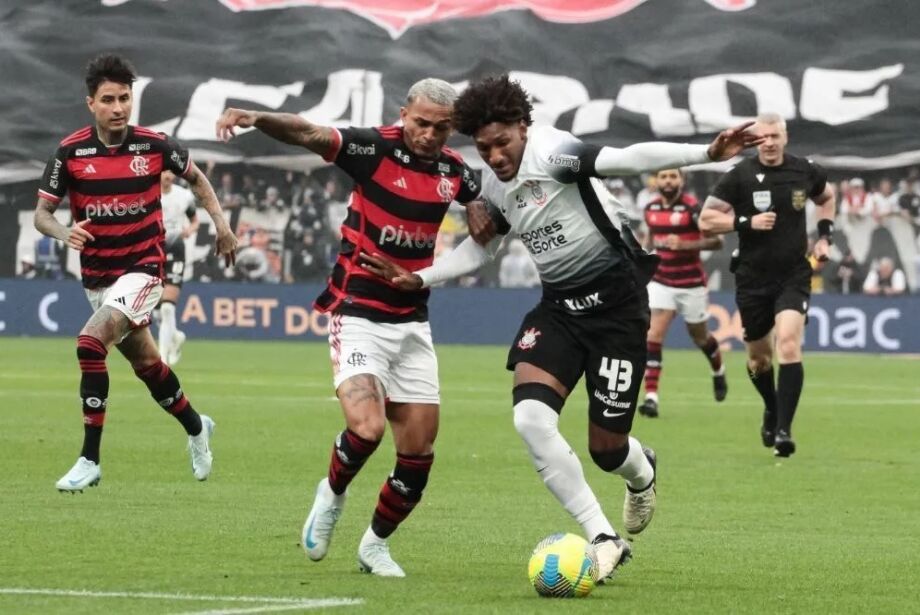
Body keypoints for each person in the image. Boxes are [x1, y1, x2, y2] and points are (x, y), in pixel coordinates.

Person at [360, 75, 762, 581]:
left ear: (523, 128)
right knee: (530, 419)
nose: (495, 156)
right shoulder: (492, 184)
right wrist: (419, 276)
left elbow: (626, 157)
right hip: (559, 312)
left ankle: (643, 473)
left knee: (607, 450)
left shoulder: (554, 154)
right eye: (484, 148)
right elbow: (481, 249)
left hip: (617, 311)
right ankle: (602, 535)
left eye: (502, 143)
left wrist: (707, 152)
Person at [216, 78, 481, 578]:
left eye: (441, 128)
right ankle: (332, 494)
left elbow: (479, 200)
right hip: (357, 311)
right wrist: (257, 117)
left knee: (418, 455)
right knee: (368, 428)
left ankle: (375, 546)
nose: (428, 134)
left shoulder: (455, 170)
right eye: (420, 122)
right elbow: (309, 133)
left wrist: (481, 209)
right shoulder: (373, 148)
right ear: (404, 113)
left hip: (412, 324)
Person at [33, 54, 237, 492]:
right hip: (98, 278)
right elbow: (41, 215)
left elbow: (198, 179)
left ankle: (90, 458)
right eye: (109, 99)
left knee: (90, 344)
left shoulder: (154, 144)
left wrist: (222, 226)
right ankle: (198, 426)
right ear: (91, 103)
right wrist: (64, 231)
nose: (119, 107)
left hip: (143, 270)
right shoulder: (71, 152)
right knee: (148, 364)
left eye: (125, 98)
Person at [699, 112, 836, 458]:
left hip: (793, 274)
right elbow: (706, 219)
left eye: (776, 136)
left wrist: (824, 238)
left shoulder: (805, 169)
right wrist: (745, 221)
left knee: (788, 345)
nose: (770, 143)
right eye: (764, 138)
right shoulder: (740, 176)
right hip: (751, 277)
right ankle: (771, 407)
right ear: (755, 141)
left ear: (785, 137)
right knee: (759, 361)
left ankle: (784, 432)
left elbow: (827, 198)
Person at [639, 168, 726, 419]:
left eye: (673, 177)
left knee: (700, 337)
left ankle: (718, 371)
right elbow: (650, 240)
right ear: (657, 180)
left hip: (691, 284)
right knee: (653, 335)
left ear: (681, 180)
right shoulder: (651, 209)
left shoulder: (693, 209)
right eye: (664, 177)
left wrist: (686, 244)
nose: (668, 181)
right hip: (661, 281)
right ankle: (651, 397)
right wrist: (642, 259)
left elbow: (717, 242)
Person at [158, 169, 199, 365]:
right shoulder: (147, 194)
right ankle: (175, 336)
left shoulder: (183, 196)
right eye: (164, 172)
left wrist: (188, 231)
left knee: (167, 308)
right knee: (157, 312)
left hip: (175, 249)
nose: (168, 176)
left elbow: (195, 221)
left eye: (170, 172)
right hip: (152, 251)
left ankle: (162, 359)